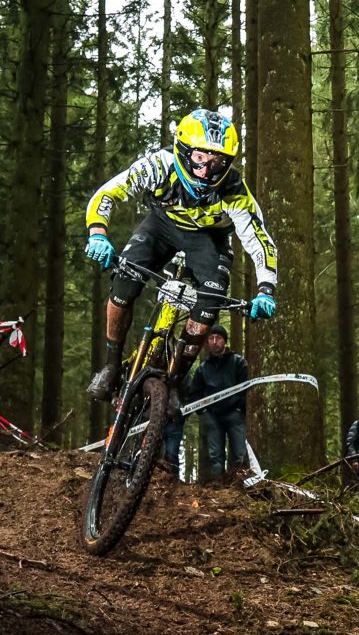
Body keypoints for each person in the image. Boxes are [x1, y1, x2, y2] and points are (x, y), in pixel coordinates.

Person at [83, 108, 277, 410]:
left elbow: (259, 239)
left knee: (208, 306)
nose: (205, 170)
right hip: (161, 225)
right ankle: (110, 365)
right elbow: (108, 194)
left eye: (217, 162)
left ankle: (174, 381)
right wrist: (98, 233)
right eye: (200, 157)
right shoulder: (159, 165)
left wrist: (266, 289)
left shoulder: (234, 191)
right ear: (185, 150)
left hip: (209, 240)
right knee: (124, 284)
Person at [185, 325, 249, 480]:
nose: (215, 342)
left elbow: (247, 387)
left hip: (234, 414)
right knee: (216, 457)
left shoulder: (238, 362)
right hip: (212, 417)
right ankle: (219, 488)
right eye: (211, 338)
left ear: (224, 341)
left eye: (218, 338)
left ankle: (243, 484)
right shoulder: (202, 369)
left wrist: (240, 407)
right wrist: (204, 412)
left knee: (240, 452)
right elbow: (194, 394)